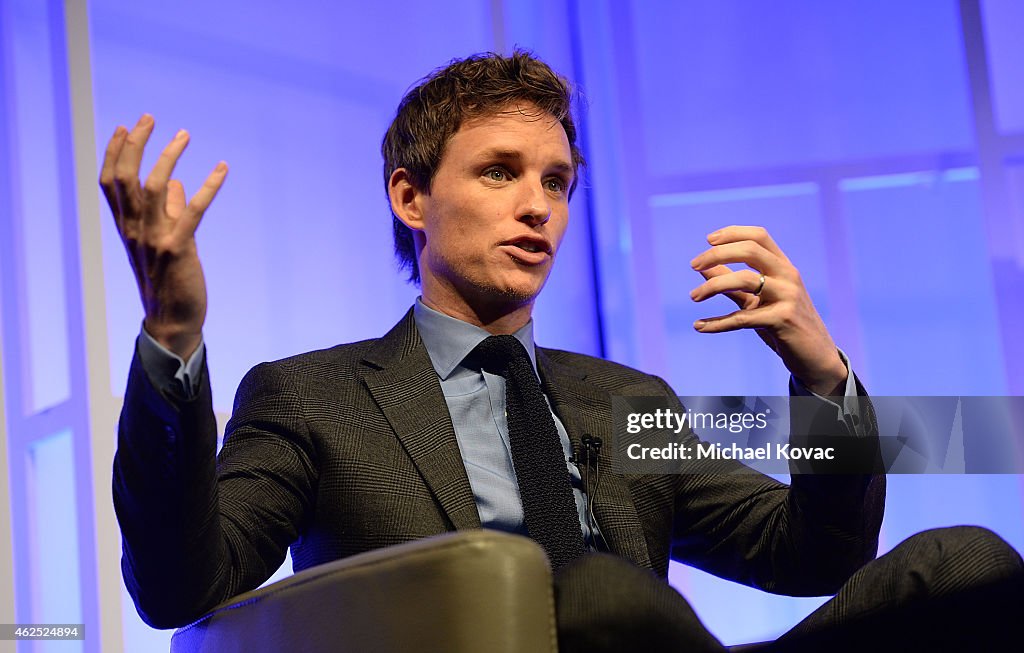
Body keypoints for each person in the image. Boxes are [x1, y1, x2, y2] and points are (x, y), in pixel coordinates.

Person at [103, 50, 1022, 651]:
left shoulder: (624, 400)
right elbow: (181, 584)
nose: (539, 205)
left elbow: (815, 554)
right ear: (410, 198)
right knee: (591, 595)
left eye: (557, 181)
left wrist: (822, 380)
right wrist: (173, 335)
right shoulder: (314, 397)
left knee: (968, 561)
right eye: (500, 172)